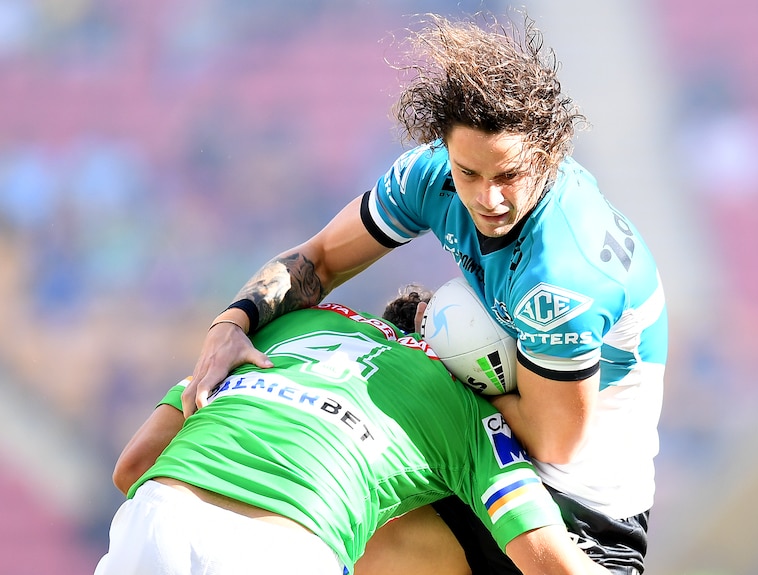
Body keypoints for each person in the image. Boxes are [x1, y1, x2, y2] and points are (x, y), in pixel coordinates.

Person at [182, 11, 667, 575]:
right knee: (311, 517)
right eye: (469, 173)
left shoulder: (562, 276)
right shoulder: (430, 176)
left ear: (548, 153)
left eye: (508, 175)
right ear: (445, 150)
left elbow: (553, 442)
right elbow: (318, 261)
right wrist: (233, 323)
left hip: (576, 514)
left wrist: (424, 372)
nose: (489, 199)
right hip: (476, 470)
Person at [96, 289, 609, 575]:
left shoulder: (285, 328)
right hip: (281, 556)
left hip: (159, 517)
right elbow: (550, 565)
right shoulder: (469, 412)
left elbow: (134, 467)